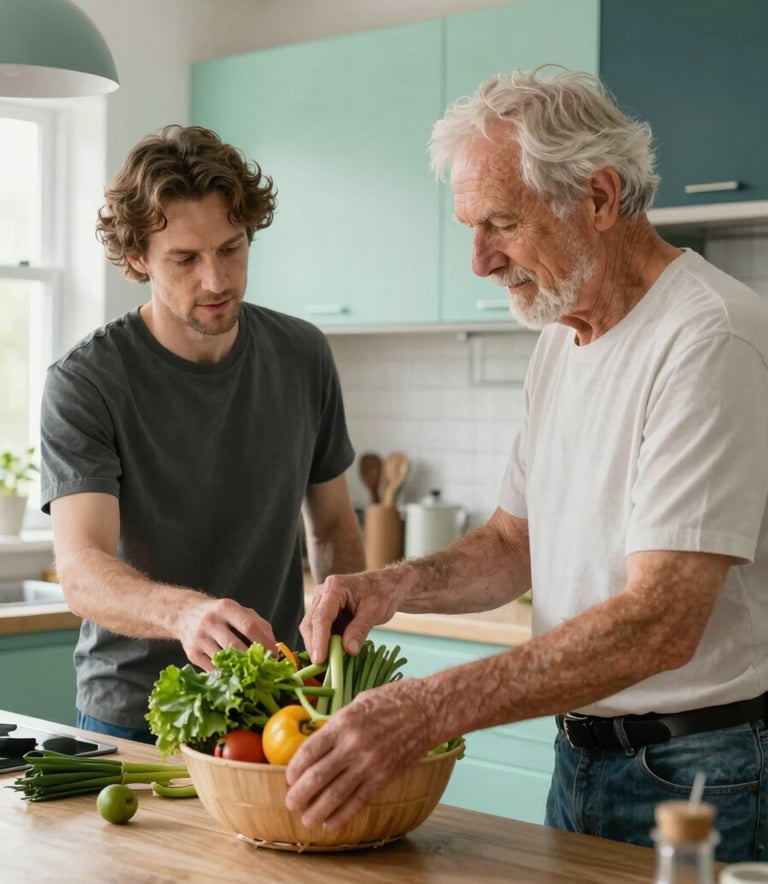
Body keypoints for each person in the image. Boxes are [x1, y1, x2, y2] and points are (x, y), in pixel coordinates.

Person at [283, 68, 768, 863]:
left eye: (501, 224)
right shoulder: (560, 336)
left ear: (601, 198)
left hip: (697, 773)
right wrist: (393, 585)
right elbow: (514, 545)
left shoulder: (707, 337)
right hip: (580, 756)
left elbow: (662, 621)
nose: (480, 261)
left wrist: (429, 708)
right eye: (470, 227)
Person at [40, 125, 365, 743]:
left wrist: (339, 660)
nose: (216, 280)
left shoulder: (303, 355)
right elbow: (81, 569)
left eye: (232, 248)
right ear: (137, 258)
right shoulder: (87, 381)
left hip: (277, 704)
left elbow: (332, 527)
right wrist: (186, 613)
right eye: (185, 259)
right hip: (135, 714)